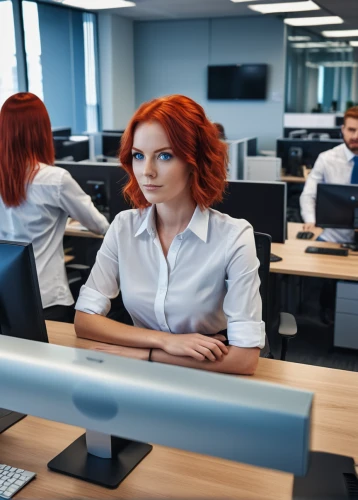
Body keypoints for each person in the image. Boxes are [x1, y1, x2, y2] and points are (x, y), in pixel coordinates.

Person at [74, 94, 265, 375]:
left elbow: (244, 360)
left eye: (164, 155)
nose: (147, 171)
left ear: (194, 161)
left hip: (209, 377)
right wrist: (165, 342)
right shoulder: (123, 226)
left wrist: (146, 356)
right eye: (139, 156)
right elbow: (84, 321)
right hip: (141, 378)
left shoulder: (234, 237)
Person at [0, 92, 109, 322]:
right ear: (41, 131)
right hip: (47, 298)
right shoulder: (55, 179)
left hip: (6, 297)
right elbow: (100, 226)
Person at [300, 106, 358, 243]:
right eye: (351, 130)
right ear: (343, 129)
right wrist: (311, 221)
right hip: (332, 238)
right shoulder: (326, 159)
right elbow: (308, 195)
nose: (355, 136)